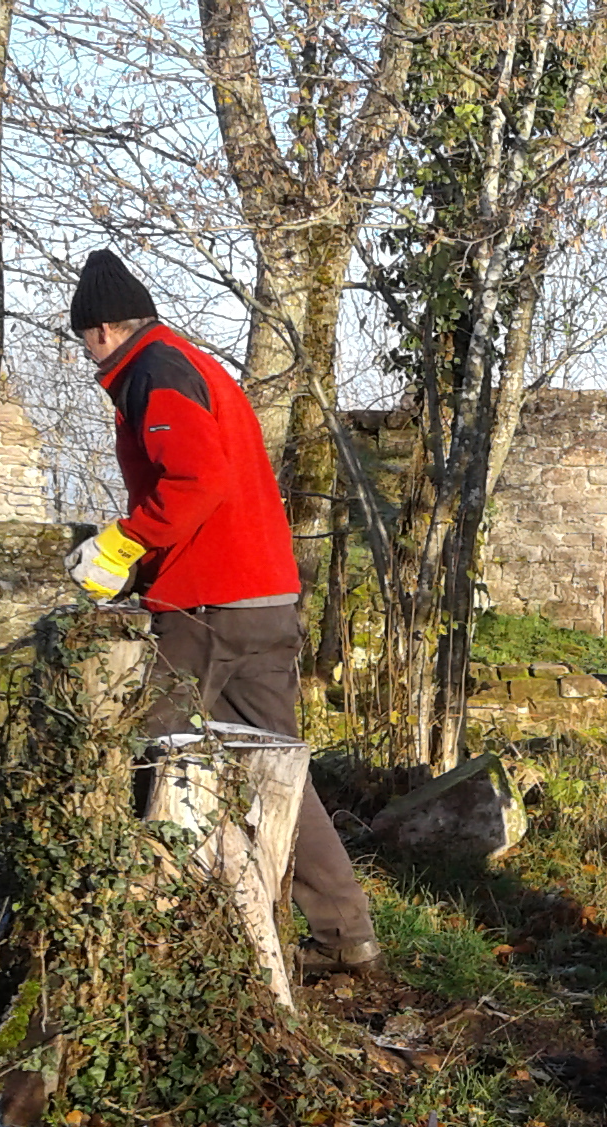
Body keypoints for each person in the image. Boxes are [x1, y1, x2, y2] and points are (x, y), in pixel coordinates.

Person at [63, 249, 381, 977]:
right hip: (265, 597)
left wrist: (123, 543)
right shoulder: (193, 365)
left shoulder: (154, 371)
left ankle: (154, 935)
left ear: (103, 330)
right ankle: (345, 932)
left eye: (85, 341)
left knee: (155, 754)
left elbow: (194, 480)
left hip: (207, 604)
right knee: (278, 769)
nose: (88, 355)